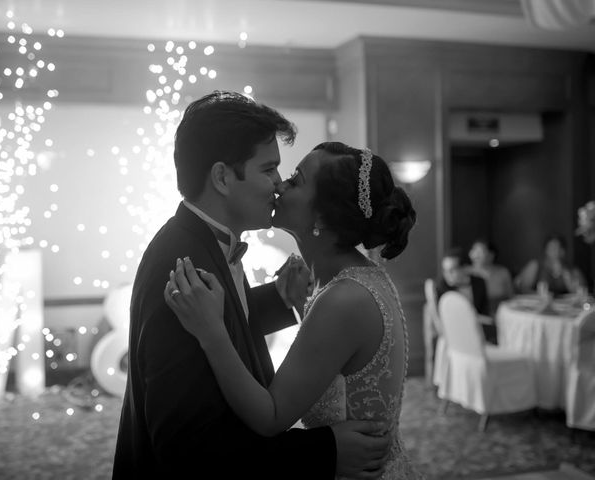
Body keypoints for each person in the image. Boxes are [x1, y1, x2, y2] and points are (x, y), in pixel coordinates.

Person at [112, 92, 389, 479]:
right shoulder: (182, 266)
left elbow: (228, 323)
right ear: (223, 177)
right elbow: (186, 447)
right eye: (269, 169)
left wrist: (278, 300)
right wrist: (323, 451)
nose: (278, 184)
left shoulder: (205, 244)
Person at [166, 141, 424, 479]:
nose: (280, 184)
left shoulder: (344, 299)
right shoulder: (347, 280)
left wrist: (211, 331)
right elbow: (339, 366)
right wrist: (294, 304)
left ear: (322, 214)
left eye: (295, 179)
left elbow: (270, 416)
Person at [434, 247, 497, 344]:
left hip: (478, 331)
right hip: (454, 335)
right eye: (445, 270)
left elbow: (485, 310)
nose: (447, 275)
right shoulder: (442, 287)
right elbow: (443, 320)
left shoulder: (479, 283)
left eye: (452, 270)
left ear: (465, 268)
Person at [514, 233, 586, 296]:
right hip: (536, 304)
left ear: (563, 251)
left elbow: (580, 292)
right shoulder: (535, 265)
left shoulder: (573, 270)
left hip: (564, 307)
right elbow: (521, 288)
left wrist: (565, 273)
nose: (554, 251)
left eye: (557, 248)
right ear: (545, 250)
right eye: (551, 248)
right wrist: (540, 296)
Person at [465, 238, 513, 315]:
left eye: (480, 251)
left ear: (491, 255)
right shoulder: (465, 273)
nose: (476, 255)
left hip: (501, 314)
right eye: (474, 250)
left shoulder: (503, 272)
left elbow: (510, 296)